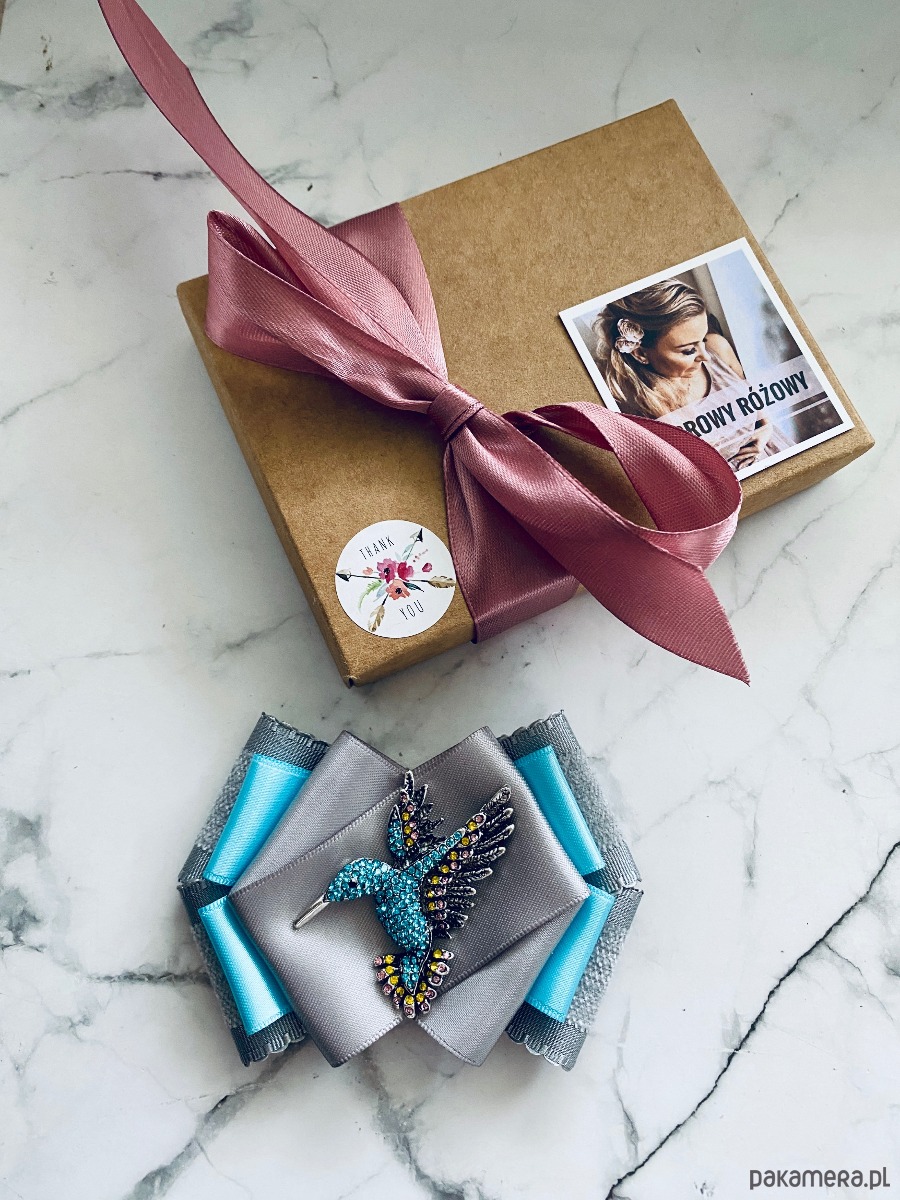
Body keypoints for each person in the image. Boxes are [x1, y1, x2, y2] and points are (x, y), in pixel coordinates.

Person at [592, 279, 777, 472]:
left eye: (703, 339)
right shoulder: (637, 405)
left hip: (772, 450)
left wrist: (766, 428)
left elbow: (753, 397)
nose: (705, 356)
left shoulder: (717, 347)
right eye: (689, 350)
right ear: (641, 353)